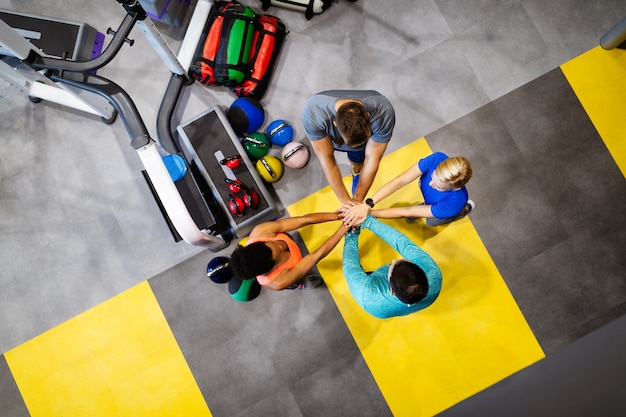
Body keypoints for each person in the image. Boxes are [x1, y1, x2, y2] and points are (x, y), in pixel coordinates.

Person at [302, 90, 396, 204]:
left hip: (362, 146)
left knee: (358, 160)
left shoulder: (383, 112)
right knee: (331, 154)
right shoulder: (314, 112)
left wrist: (357, 200)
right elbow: (326, 158)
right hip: (330, 138)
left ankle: (357, 171)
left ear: (368, 115)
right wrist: (346, 203)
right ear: (335, 123)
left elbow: (372, 158)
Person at [342, 215, 442, 319]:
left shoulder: (366, 294)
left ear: (392, 291)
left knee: (358, 272)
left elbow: (350, 264)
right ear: (421, 270)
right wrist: (367, 220)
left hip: (377, 306)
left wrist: (351, 234)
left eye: (392, 267)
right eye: (403, 262)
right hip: (413, 303)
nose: (394, 260)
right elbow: (402, 243)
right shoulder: (433, 274)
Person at [341, 152, 474, 228]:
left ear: (455, 187)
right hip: (432, 203)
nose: (430, 183)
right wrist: (367, 204)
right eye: (433, 176)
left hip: (446, 210)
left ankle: (465, 210)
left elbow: (406, 210)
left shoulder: (452, 204)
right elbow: (401, 180)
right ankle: (423, 209)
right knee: (419, 210)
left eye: (438, 186)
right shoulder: (437, 159)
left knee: (431, 222)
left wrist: (369, 214)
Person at [230, 212, 347, 291]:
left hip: (284, 244)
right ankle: (300, 284)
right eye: (279, 255)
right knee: (295, 281)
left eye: (274, 243)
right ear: (274, 267)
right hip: (289, 275)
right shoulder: (278, 281)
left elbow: (304, 220)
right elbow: (317, 255)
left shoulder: (260, 231)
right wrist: (345, 227)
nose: (281, 247)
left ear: (260, 242)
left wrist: (338, 215)